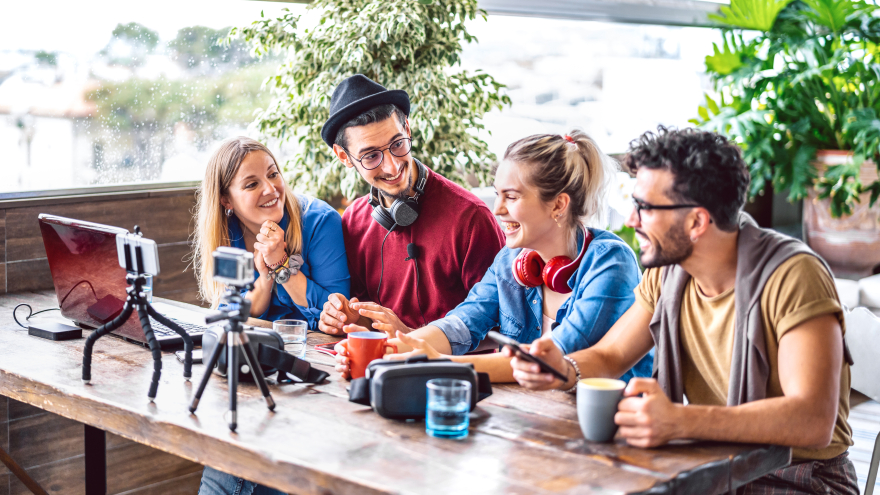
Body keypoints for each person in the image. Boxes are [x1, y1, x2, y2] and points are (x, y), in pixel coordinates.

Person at [509, 127, 857, 494]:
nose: (631, 220)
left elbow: (812, 420)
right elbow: (611, 354)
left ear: (696, 222)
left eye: (645, 207)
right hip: (713, 466)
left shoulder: (793, 276)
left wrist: (679, 421)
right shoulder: (668, 273)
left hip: (801, 477)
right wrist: (564, 369)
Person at [334, 131, 654, 383]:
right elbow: (463, 323)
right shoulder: (510, 260)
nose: (498, 210)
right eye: (497, 194)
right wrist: (386, 352)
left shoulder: (611, 263)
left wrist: (434, 363)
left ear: (558, 205)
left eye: (511, 197)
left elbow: (550, 360)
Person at [192, 136, 350, 495]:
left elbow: (334, 311)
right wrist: (264, 279)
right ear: (225, 200)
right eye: (251, 184)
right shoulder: (227, 233)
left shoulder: (318, 221)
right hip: (255, 370)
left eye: (273, 174)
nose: (270, 189)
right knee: (229, 450)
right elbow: (230, 312)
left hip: (311, 378)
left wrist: (281, 264)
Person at [317, 74, 505, 336]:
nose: (392, 166)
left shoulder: (471, 218)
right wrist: (345, 319)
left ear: (407, 128)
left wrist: (409, 337)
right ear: (343, 156)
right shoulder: (353, 221)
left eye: (397, 144)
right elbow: (367, 323)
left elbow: (499, 331)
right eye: (371, 156)